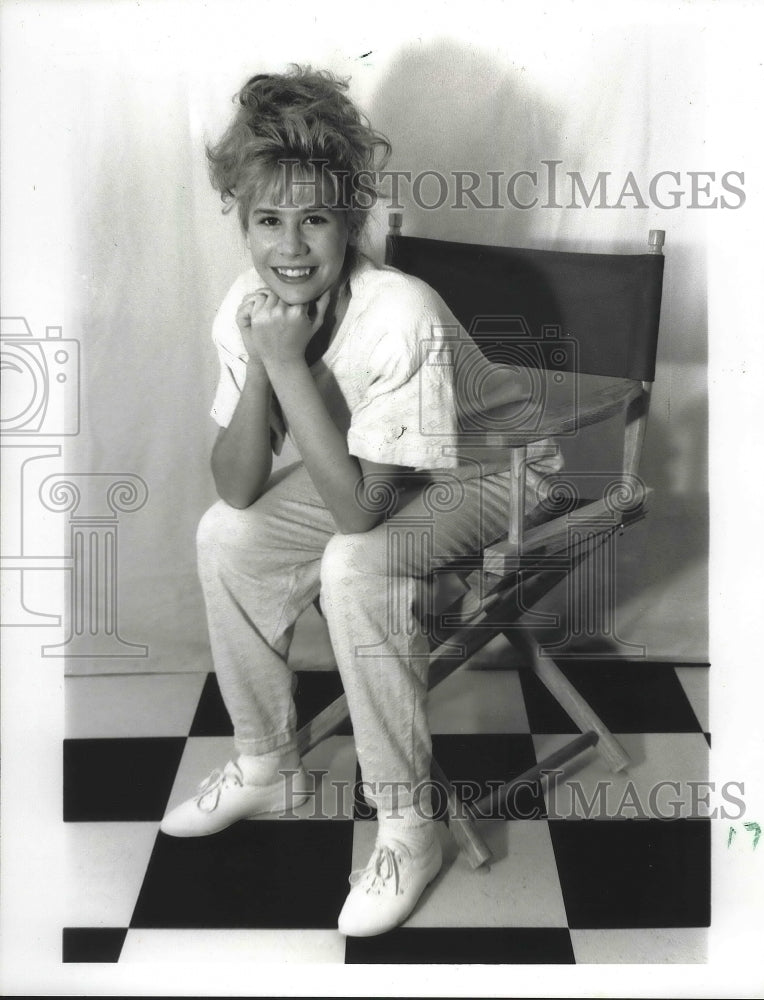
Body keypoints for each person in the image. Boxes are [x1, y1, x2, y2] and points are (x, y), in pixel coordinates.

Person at [160, 65, 560, 937]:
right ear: (241, 221)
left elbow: (353, 518)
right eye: (268, 220)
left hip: (498, 471)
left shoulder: (399, 311)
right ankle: (269, 766)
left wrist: (283, 365)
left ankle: (409, 827)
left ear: (352, 221)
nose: (290, 246)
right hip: (385, 467)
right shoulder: (250, 306)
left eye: (315, 219)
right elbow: (235, 485)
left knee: (354, 565)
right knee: (225, 535)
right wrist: (272, 358)